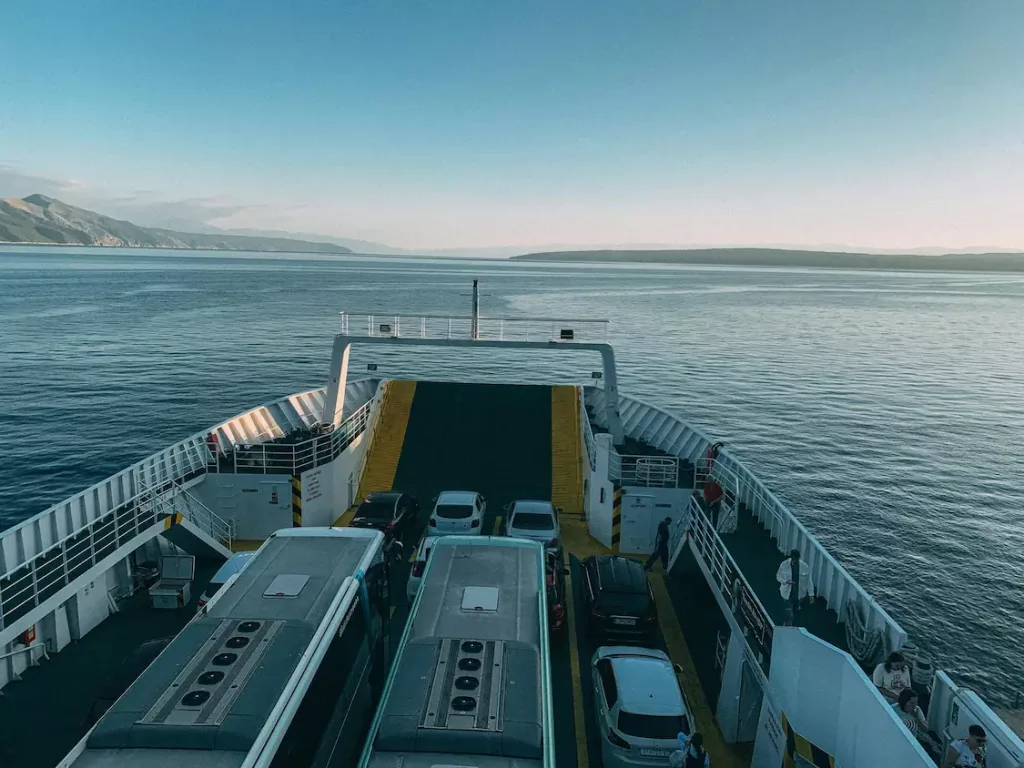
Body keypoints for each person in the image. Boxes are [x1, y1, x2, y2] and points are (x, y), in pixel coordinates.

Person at [892, 689, 942, 757]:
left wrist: (916, 718)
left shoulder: (917, 710)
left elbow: (925, 730)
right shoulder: (893, 709)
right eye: (911, 703)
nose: (914, 705)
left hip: (913, 742)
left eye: (916, 703)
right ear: (904, 702)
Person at [775, 549, 813, 625]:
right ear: (791, 558)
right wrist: (786, 581)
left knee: (796, 609)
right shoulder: (784, 565)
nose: (795, 561)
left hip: (799, 594)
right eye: (794, 559)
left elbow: (809, 581)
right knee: (788, 611)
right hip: (787, 593)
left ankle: (793, 619)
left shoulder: (804, 566)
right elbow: (778, 576)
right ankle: (788, 624)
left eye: (797, 559)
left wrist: (811, 594)